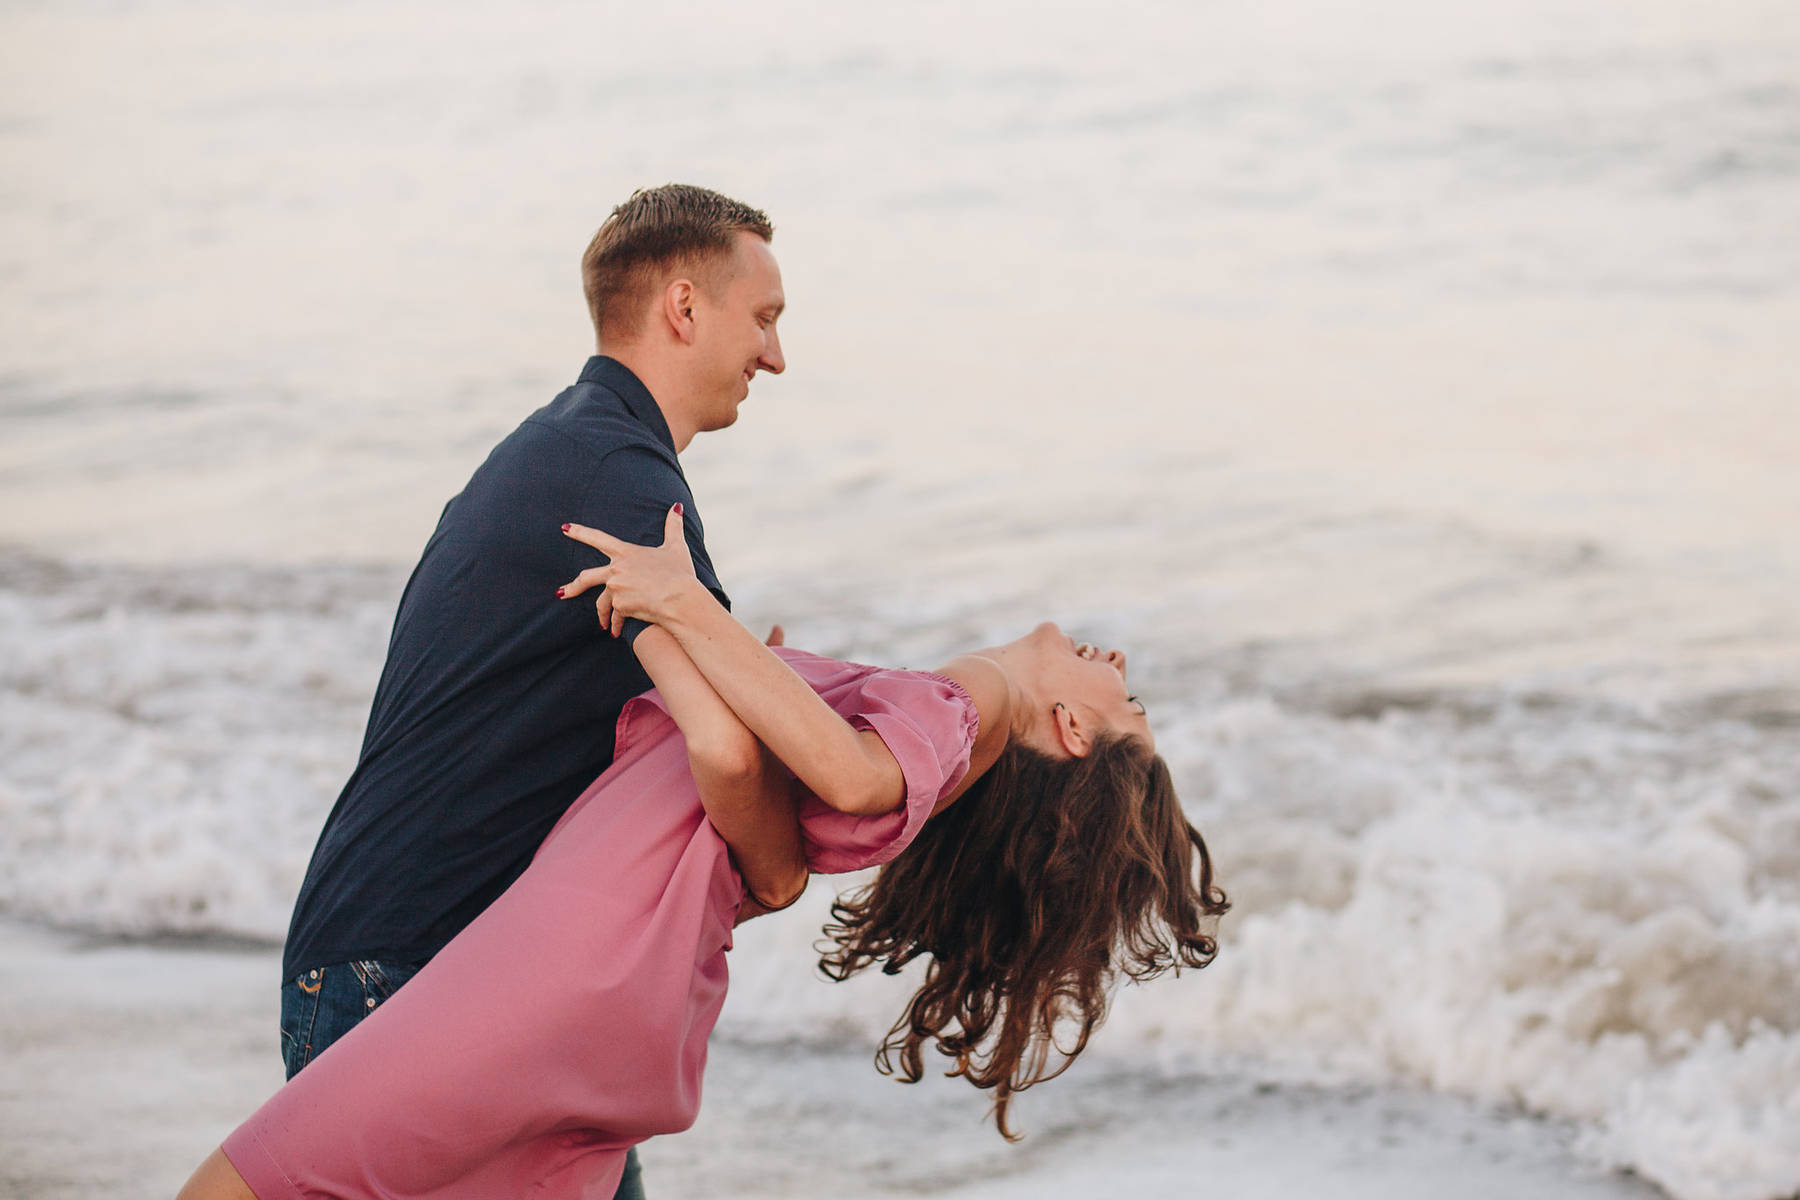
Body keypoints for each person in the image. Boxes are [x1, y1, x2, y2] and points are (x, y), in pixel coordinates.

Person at [176, 509, 1229, 1200]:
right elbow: (767, 857)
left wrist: (664, 612)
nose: (1120, 665)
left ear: (1077, 733)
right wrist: (723, 664)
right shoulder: (952, 733)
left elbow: (810, 770)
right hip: (633, 986)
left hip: (573, 956)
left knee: (239, 1187)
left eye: (1127, 701)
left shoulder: (964, 708)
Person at [277, 184, 785, 1198]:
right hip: (410, 980)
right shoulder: (617, 475)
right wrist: (782, 866)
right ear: (684, 307)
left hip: (451, 976)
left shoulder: (579, 447)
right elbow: (732, 749)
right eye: (764, 319)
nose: (775, 356)